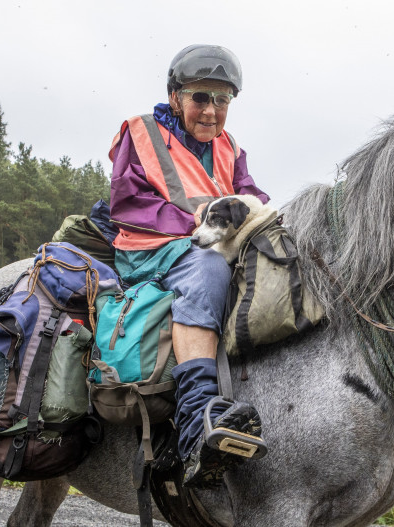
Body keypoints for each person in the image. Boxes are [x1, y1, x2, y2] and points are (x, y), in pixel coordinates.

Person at [108, 44, 269, 488]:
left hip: (206, 243)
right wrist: (198, 227)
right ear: (175, 95)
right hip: (149, 246)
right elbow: (129, 202)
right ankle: (197, 422)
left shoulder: (231, 147)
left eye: (222, 100)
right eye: (201, 98)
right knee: (211, 269)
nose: (211, 111)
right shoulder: (140, 133)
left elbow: (249, 196)